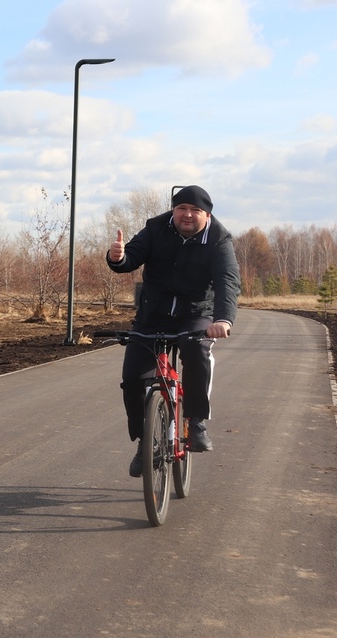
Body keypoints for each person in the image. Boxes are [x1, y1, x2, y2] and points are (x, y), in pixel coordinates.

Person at [107, 185, 241, 477]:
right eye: (181, 209)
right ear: (173, 211)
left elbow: (227, 281)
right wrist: (118, 258)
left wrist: (223, 320)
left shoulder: (218, 239)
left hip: (196, 314)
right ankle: (144, 442)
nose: (187, 215)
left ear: (207, 215)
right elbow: (131, 257)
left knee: (197, 351)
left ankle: (196, 422)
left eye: (195, 210)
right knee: (133, 378)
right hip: (153, 315)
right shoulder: (155, 228)